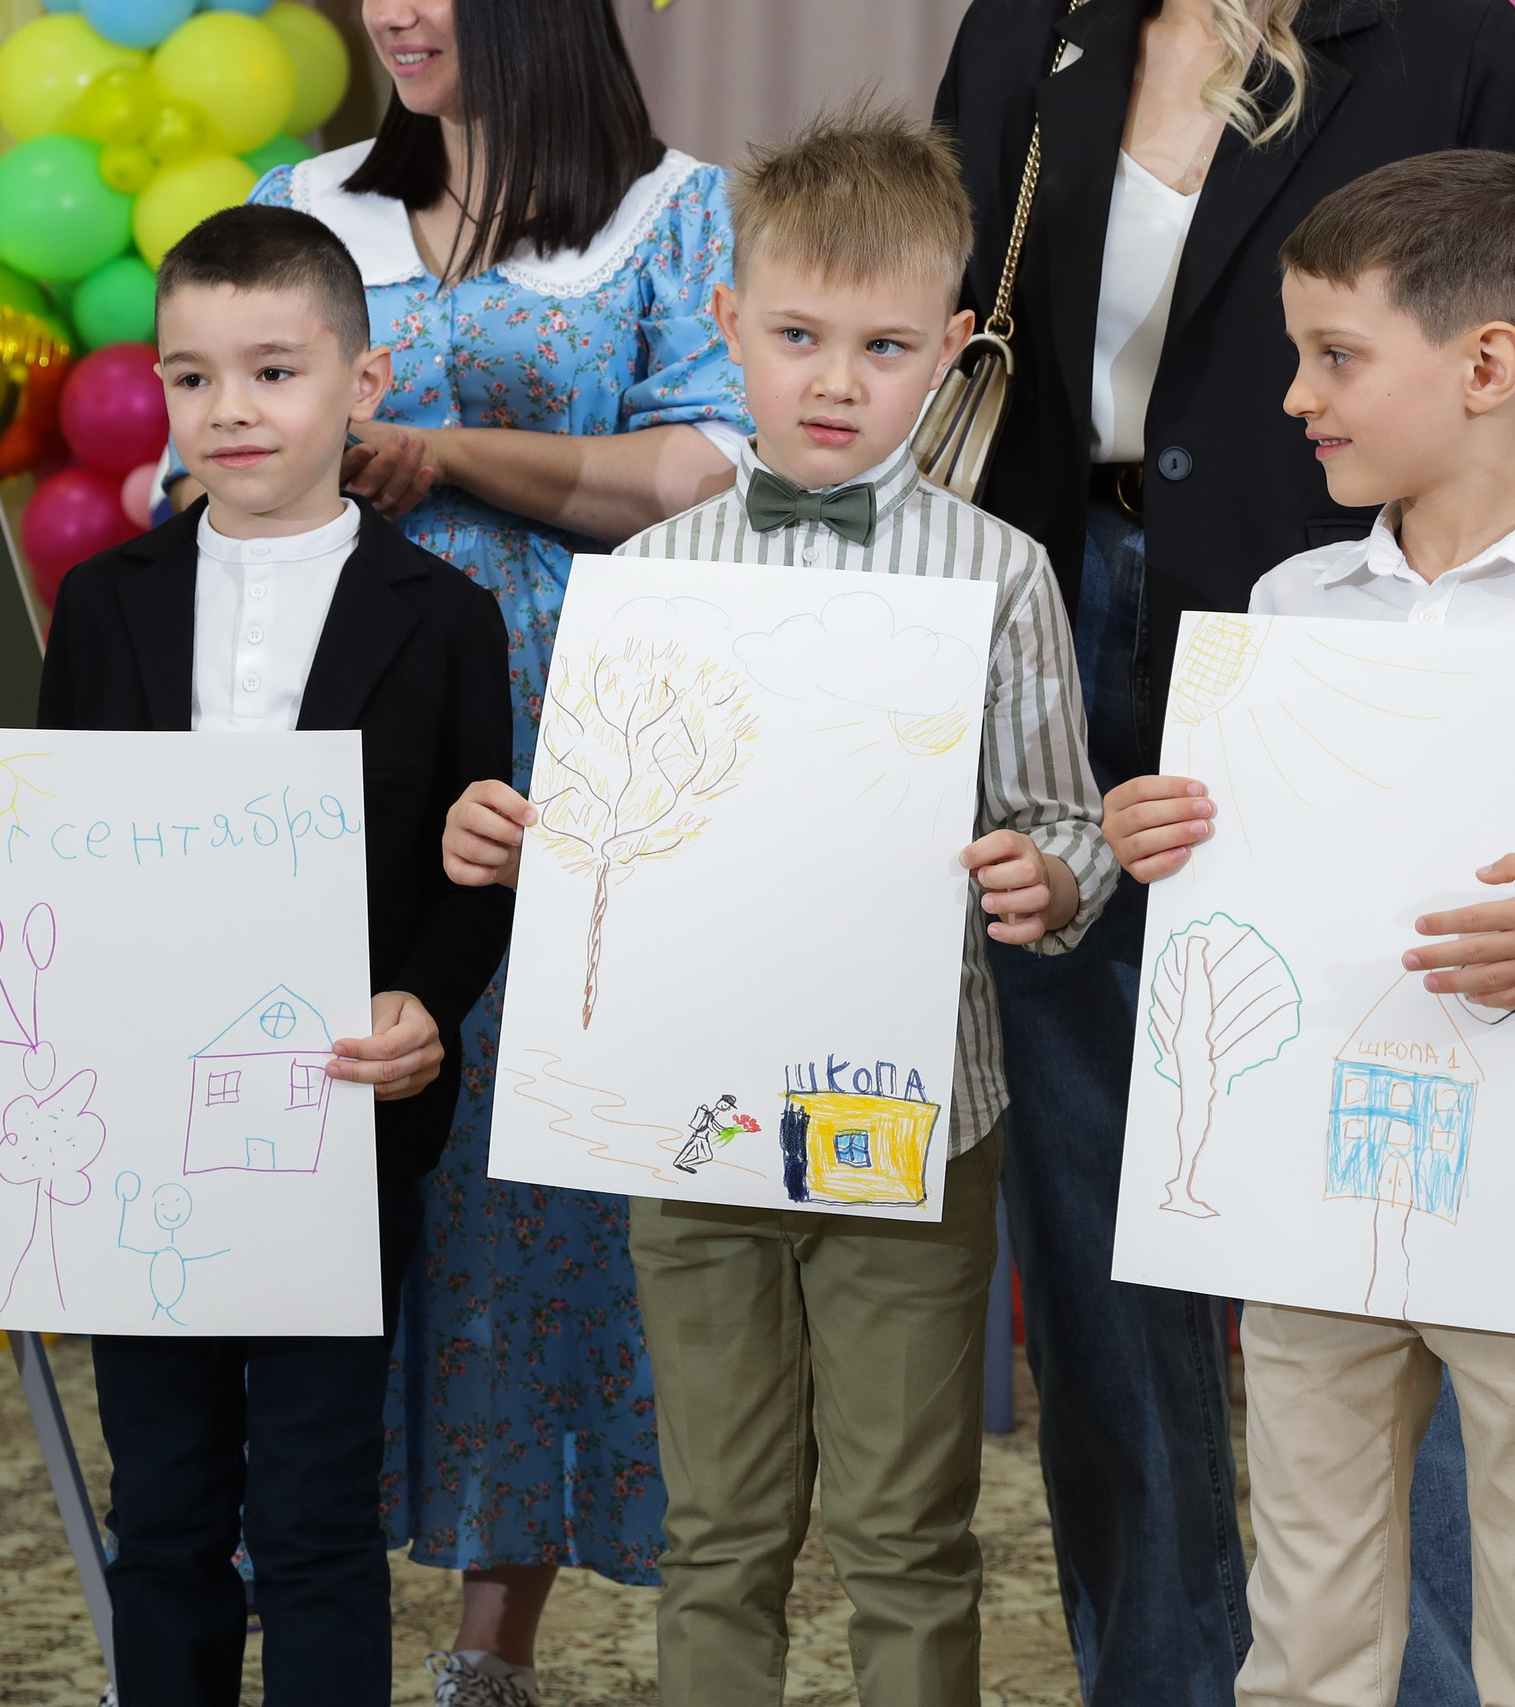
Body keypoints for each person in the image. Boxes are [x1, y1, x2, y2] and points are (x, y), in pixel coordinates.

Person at [931, 3, 1515, 1699]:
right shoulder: (1033, 24)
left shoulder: (1433, 30)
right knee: (1099, 1218)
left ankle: (1429, 1679)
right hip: (1049, 614)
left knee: (1398, 1197)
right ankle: (1159, 1671)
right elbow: (940, 324)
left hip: (1358, 629)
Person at [441, 107, 1114, 1703]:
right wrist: (513, 837)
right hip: (692, 1120)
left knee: (905, 1529)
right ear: (730, 325)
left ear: (951, 351)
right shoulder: (652, 574)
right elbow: (603, 846)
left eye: (883, 347)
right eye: (797, 335)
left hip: (911, 1127)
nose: (832, 381)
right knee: (720, 1525)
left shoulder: (999, 572)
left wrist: (1051, 876)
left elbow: (1066, 827)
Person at [1104, 147, 1515, 1707]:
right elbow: (1241, 883)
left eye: (1334, 356)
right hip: (1308, 1215)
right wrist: (1159, 834)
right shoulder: (1289, 608)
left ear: (1488, 366)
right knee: (1308, 1642)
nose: (1292, 397)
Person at [167, 4, 752, 1692]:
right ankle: (291, 1576)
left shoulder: (671, 208)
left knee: (523, 1187)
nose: (396, 12)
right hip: (308, 742)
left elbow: (718, 470)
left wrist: (455, 454)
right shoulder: (311, 189)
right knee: (299, 1101)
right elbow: (197, 448)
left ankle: (493, 1640)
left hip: (556, 751)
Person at [0, 204, 515, 1707]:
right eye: (191, 378)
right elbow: (53, 847)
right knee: (163, 1511)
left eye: (274, 372)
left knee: (312, 1515)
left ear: (362, 387)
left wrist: (428, 1006)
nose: (229, 410)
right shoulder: (107, 601)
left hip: (333, 1133)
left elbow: (472, 868)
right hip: (128, 1146)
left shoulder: (446, 618)